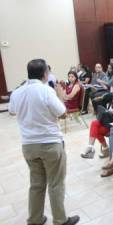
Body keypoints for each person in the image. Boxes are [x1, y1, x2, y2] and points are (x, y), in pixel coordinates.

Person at [8, 59, 79, 225]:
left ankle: (35, 220)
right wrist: (61, 96)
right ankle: (60, 220)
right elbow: (62, 114)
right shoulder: (45, 90)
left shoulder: (17, 92)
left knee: (36, 184)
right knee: (55, 183)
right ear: (45, 73)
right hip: (50, 143)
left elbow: (11, 111)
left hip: (28, 145)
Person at [81, 81, 113, 160]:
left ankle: (104, 149)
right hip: (111, 122)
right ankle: (91, 146)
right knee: (95, 124)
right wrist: (108, 111)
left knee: (96, 129)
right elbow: (111, 110)